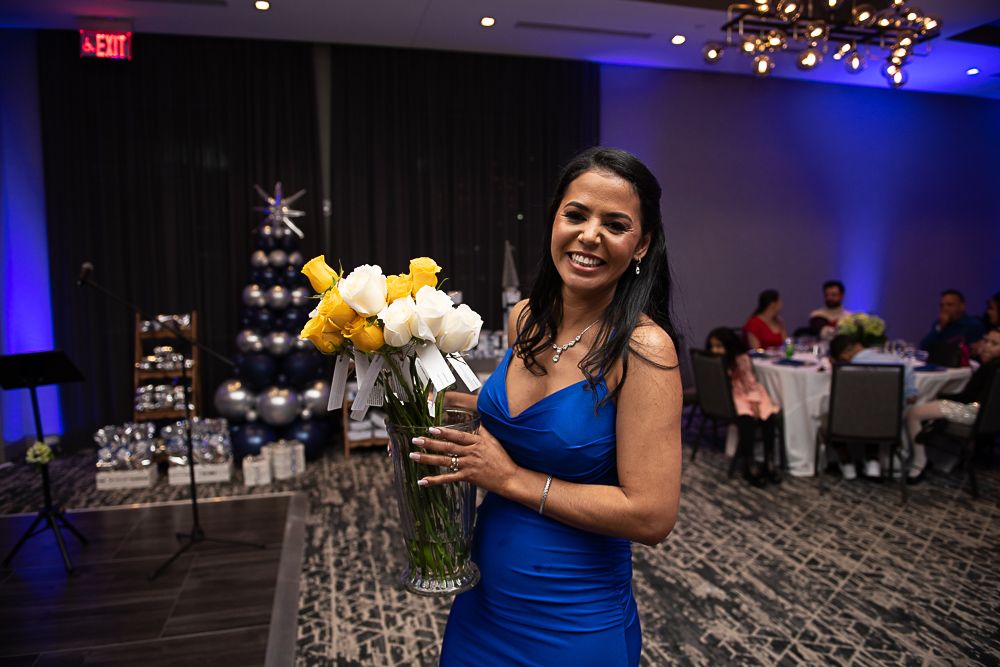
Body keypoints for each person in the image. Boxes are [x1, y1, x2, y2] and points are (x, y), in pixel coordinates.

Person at [417, 147, 682, 666]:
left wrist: (509, 478)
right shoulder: (526, 318)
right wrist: (432, 407)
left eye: (616, 224)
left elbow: (652, 516)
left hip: (572, 623)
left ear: (641, 245)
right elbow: (533, 420)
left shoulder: (644, 348)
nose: (590, 236)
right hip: (484, 606)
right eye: (576, 214)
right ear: (555, 220)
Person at [905, 327, 1000, 484]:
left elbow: (968, 397)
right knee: (930, 406)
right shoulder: (993, 366)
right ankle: (933, 428)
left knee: (913, 413)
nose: (987, 346)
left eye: (994, 344)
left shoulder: (990, 368)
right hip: (985, 417)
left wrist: (941, 396)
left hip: (972, 412)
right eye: (986, 341)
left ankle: (919, 463)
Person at [828, 334, 918, 480]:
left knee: (830, 413)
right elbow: (910, 388)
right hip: (888, 424)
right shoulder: (897, 361)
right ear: (858, 345)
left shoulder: (844, 368)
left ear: (844, 354)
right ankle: (873, 462)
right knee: (874, 412)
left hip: (847, 425)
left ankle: (846, 463)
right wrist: (908, 392)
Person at [706, 327, 781, 486]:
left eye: (719, 346)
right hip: (733, 396)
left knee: (767, 416)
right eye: (713, 346)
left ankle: (769, 461)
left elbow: (751, 383)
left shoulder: (741, 359)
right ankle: (749, 463)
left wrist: (754, 402)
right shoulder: (714, 362)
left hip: (750, 392)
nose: (715, 350)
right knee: (746, 421)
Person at [919, 289, 986, 352]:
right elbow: (923, 348)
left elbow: (972, 352)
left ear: (962, 306)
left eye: (949, 305)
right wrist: (939, 328)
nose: (944, 309)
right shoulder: (939, 324)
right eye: (942, 305)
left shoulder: (974, 325)